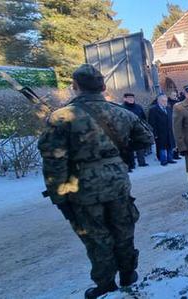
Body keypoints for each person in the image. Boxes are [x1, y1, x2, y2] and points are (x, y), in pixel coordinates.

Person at [38, 64, 154, 298]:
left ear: (75, 86)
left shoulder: (61, 117)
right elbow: (146, 138)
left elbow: (54, 160)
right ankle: (129, 275)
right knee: (123, 229)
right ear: (103, 86)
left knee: (96, 235)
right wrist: (117, 152)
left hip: (83, 185)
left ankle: (105, 285)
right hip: (117, 179)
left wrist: (58, 195)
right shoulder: (122, 112)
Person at [148, 94, 177, 166]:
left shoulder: (168, 108)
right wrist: (154, 134)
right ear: (158, 101)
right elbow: (152, 123)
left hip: (169, 131)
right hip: (160, 132)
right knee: (162, 147)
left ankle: (170, 159)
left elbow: (172, 120)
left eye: (166, 101)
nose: (165, 102)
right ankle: (163, 160)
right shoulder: (153, 110)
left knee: (170, 145)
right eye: (163, 101)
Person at [121, 93, 149, 168]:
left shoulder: (138, 107)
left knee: (140, 146)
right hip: (128, 130)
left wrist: (145, 126)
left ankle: (142, 162)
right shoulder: (122, 108)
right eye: (129, 98)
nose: (131, 99)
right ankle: (131, 164)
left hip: (138, 129)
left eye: (132, 98)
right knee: (129, 148)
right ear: (125, 99)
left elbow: (143, 117)